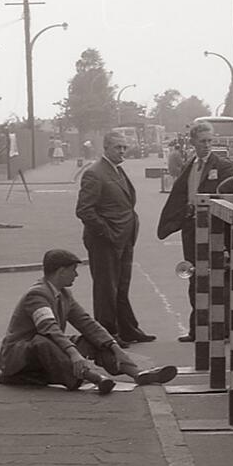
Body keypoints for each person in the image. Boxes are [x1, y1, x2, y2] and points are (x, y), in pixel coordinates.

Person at [0, 249, 177, 393]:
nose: (76, 275)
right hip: (20, 354)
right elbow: (49, 328)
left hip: (49, 343)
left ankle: (136, 373)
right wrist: (74, 353)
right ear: (61, 272)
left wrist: (113, 346)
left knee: (92, 339)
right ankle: (93, 378)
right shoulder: (37, 294)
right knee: (43, 342)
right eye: (73, 271)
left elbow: (87, 323)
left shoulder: (64, 294)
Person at [157, 122, 233, 344]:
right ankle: (197, 328)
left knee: (218, 277)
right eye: (202, 141)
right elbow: (181, 193)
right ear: (192, 142)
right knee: (194, 277)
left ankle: (223, 329)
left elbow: (228, 199)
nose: (207, 145)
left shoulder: (223, 166)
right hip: (192, 229)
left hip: (215, 230)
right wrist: (182, 215)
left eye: (210, 141)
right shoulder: (190, 165)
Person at [76, 131, 155, 346]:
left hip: (124, 239)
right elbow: (84, 210)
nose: (122, 151)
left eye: (124, 147)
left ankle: (128, 329)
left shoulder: (117, 171)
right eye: (117, 147)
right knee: (105, 289)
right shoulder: (95, 173)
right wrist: (107, 232)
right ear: (106, 148)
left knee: (121, 285)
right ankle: (107, 334)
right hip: (105, 241)